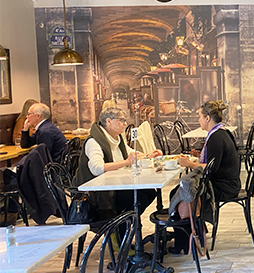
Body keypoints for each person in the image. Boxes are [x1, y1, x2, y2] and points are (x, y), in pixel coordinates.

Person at [171, 100, 241, 253]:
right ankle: (189, 236)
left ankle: (184, 242)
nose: (198, 120)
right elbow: (214, 161)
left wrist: (189, 163)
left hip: (225, 187)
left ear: (208, 118)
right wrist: (200, 155)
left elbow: (212, 169)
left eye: (200, 117)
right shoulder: (221, 132)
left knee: (182, 193)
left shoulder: (216, 137)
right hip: (229, 182)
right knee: (181, 190)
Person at [74, 107, 162, 220]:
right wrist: (126, 162)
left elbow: (131, 153)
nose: (125, 124)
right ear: (108, 121)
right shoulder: (93, 141)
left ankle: (124, 224)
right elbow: (97, 168)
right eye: (121, 120)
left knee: (149, 192)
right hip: (97, 192)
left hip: (115, 184)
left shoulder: (117, 138)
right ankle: (120, 226)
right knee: (140, 197)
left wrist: (149, 155)